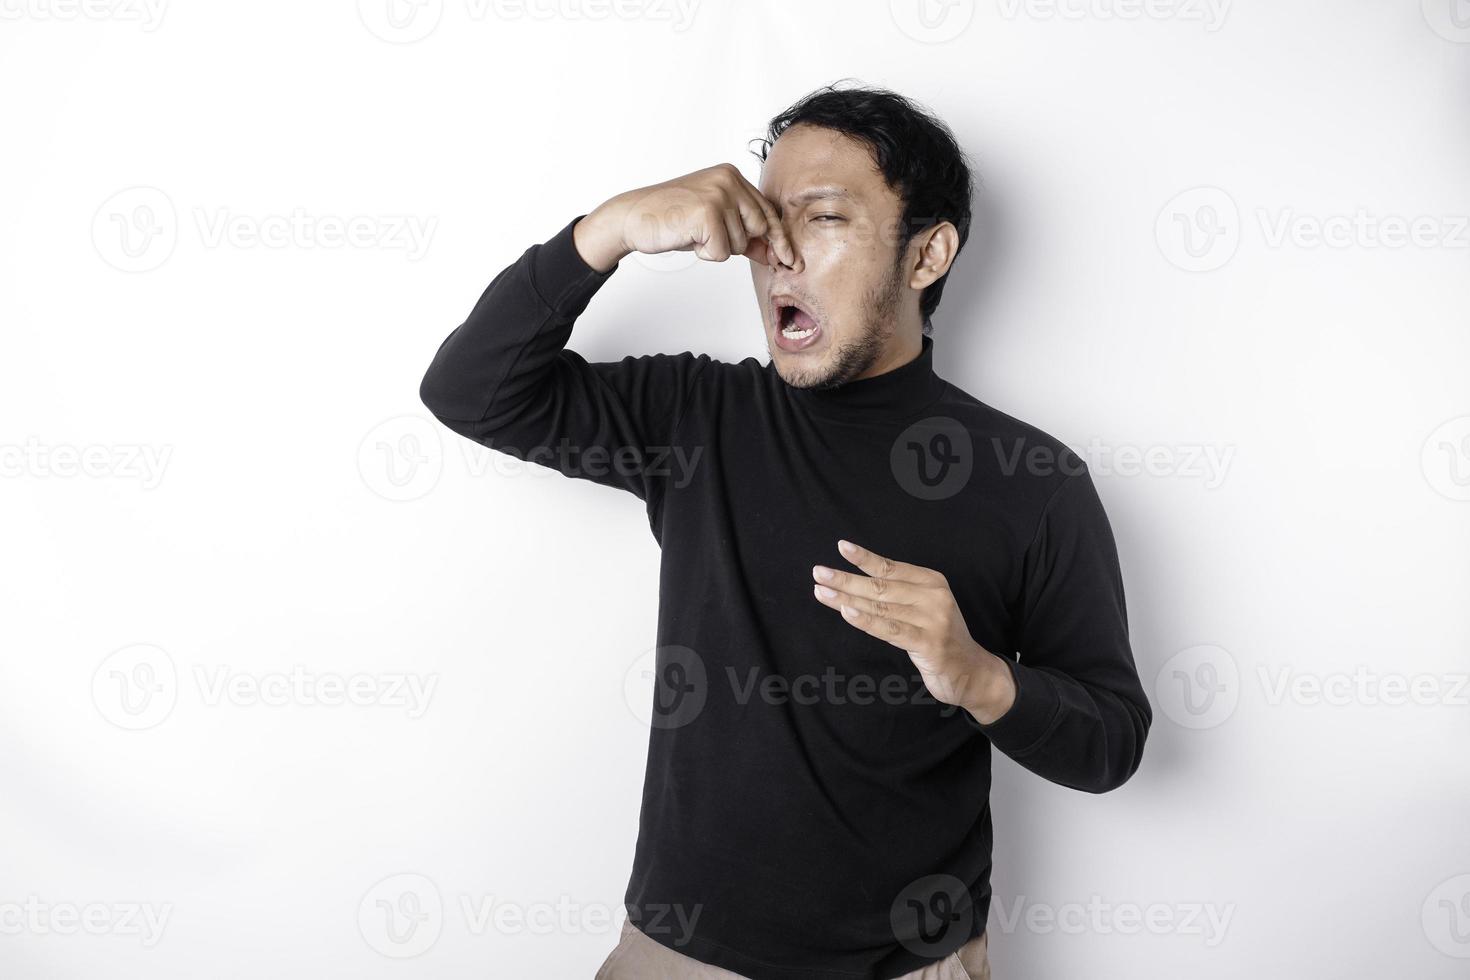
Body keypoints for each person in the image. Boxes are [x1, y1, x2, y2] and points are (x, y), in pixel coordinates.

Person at [419, 81, 1151, 980]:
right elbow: (469, 393)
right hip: (681, 956)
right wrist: (605, 231)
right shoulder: (697, 417)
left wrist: (979, 675)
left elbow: (1112, 742)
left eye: (826, 219)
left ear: (927, 255)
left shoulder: (1034, 484)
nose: (779, 255)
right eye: (767, 221)